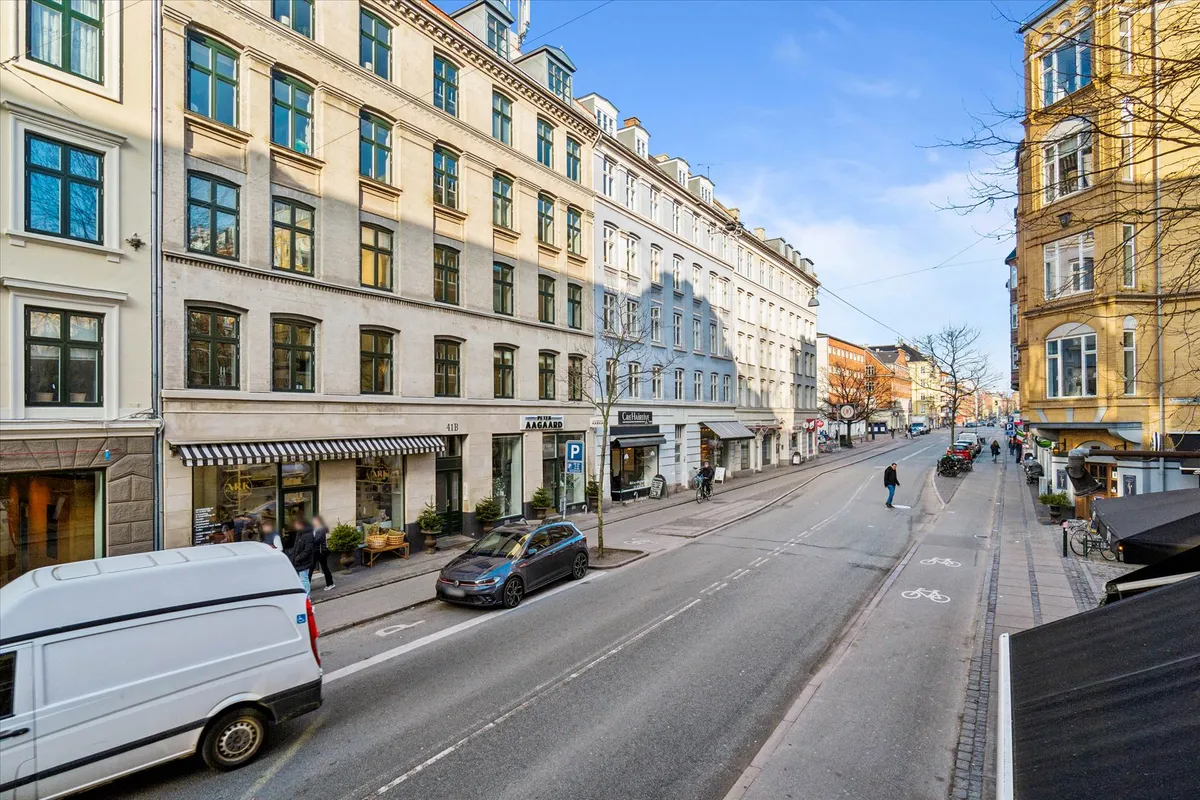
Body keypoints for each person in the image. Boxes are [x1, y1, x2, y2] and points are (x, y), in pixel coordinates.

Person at [285, 519, 316, 596]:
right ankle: (303, 596)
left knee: (304, 579)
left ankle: (307, 597)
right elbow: (296, 547)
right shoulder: (299, 533)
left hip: (304, 561)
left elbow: (308, 550)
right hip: (299, 560)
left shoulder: (308, 535)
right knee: (301, 579)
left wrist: (298, 558)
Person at [310, 515, 335, 591]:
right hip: (316, 551)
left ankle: (330, 583)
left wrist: (309, 540)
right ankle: (330, 583)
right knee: (314, 568)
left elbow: (317, 540)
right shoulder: (314, 528)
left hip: (321, 552)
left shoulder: (320, 529)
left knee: (321, 568)